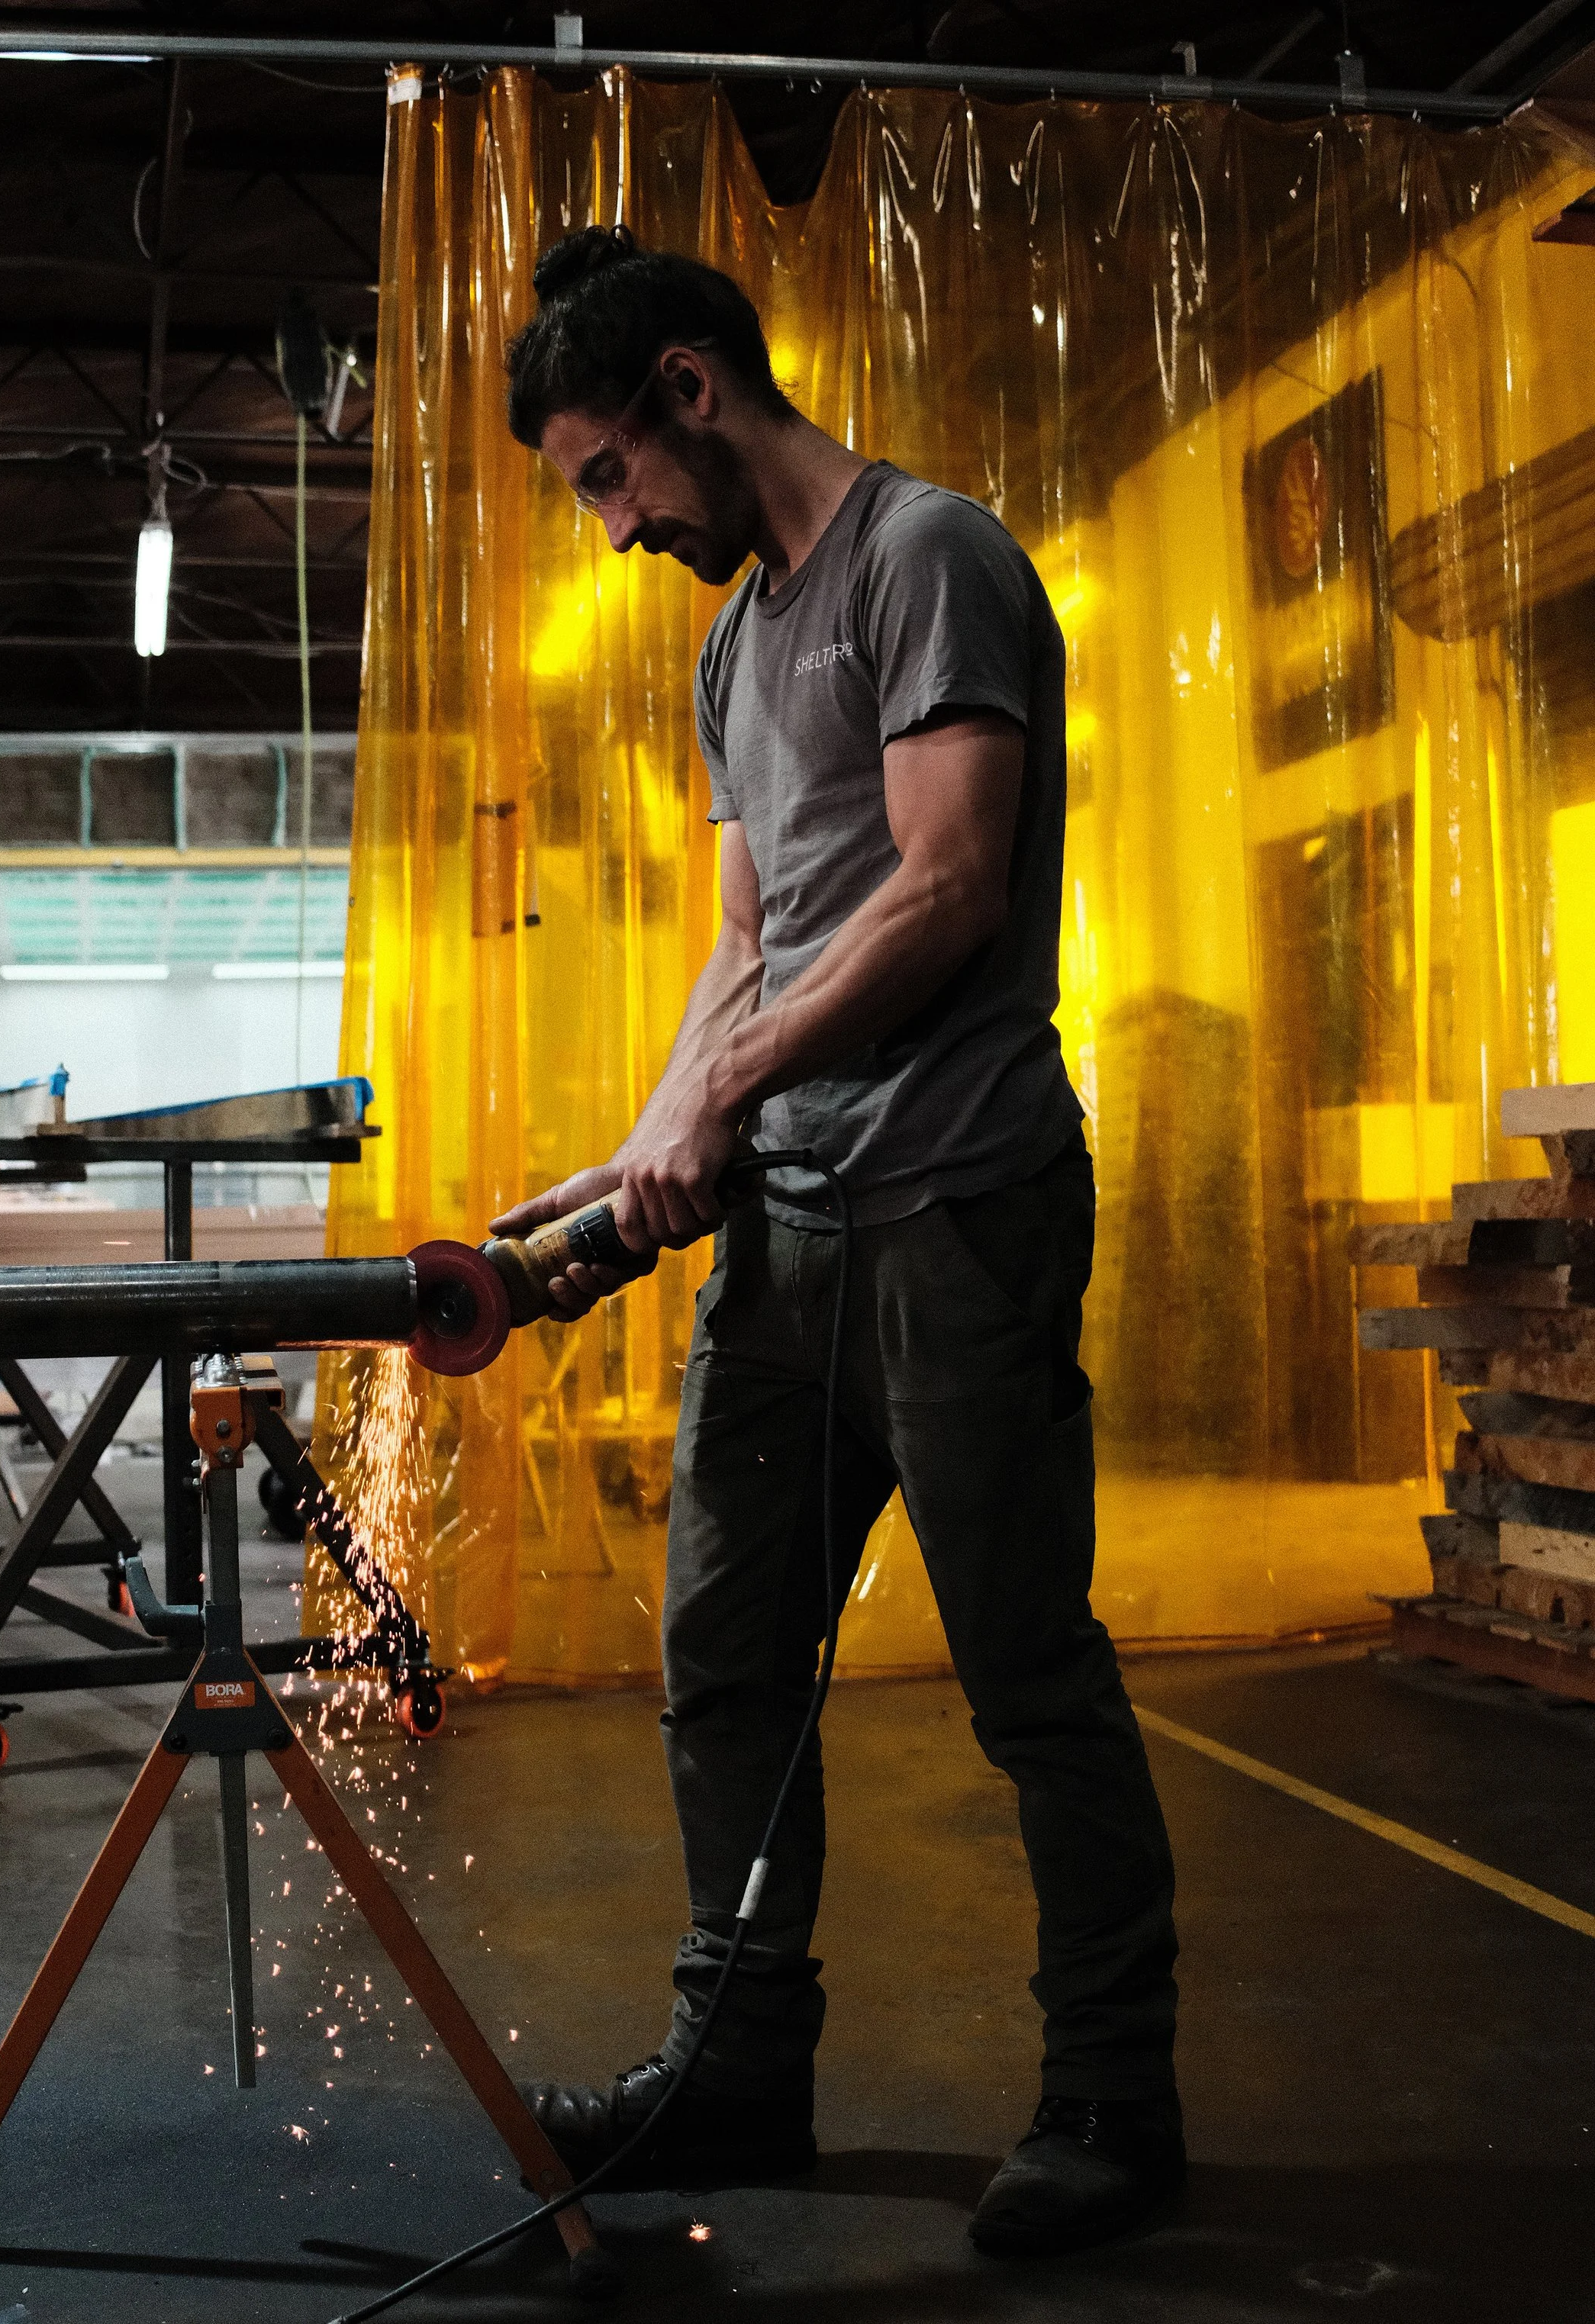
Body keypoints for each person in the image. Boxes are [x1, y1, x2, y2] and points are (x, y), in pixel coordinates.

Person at [490, 224, 1181, 2259]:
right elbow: (749, 944)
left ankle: (1112, 2099)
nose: (612, 527)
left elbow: (944, 886)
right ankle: (737, 2070)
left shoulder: (926, 558)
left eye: (607, 474)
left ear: (690, 391)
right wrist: (638, 1155)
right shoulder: (730, 645)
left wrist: (723, 1094)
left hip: (956, 1207)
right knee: (724, 1646)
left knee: (1023, 1667)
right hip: (782, 1240)